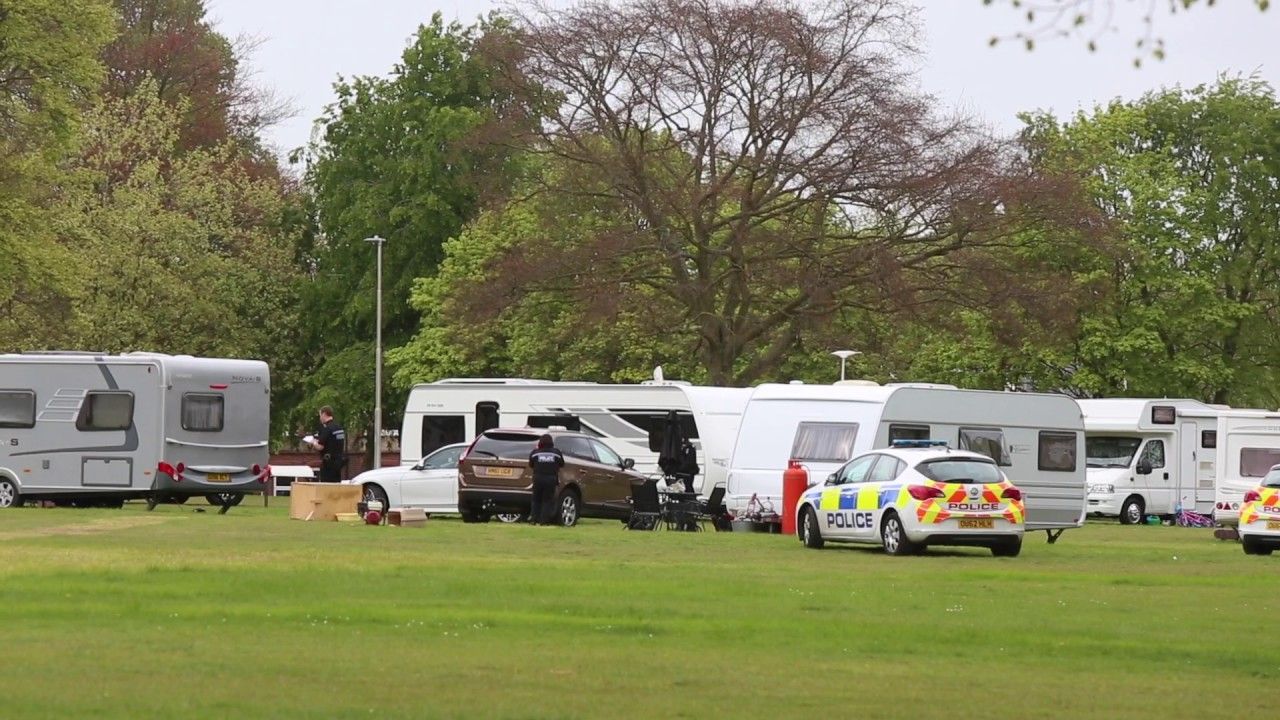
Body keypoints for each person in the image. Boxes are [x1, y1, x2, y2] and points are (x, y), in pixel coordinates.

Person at [527, 434, 565, 525]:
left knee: (536, 499)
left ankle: (533, 519)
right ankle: (544, 520)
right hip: (551, 478)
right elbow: (562, 464)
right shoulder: (556, 453)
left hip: (538, 478)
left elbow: (531, 464)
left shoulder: (535, 452)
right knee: (547, 500)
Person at [308, 406, 346, 483]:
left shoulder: (327, 429)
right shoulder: (339, 428)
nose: (320, 418)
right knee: (336, 485)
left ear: (324, 414)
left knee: (326, 486)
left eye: (320, 415)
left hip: (328, 464)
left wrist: (313, 442)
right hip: (338, 462)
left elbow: (320, 447)